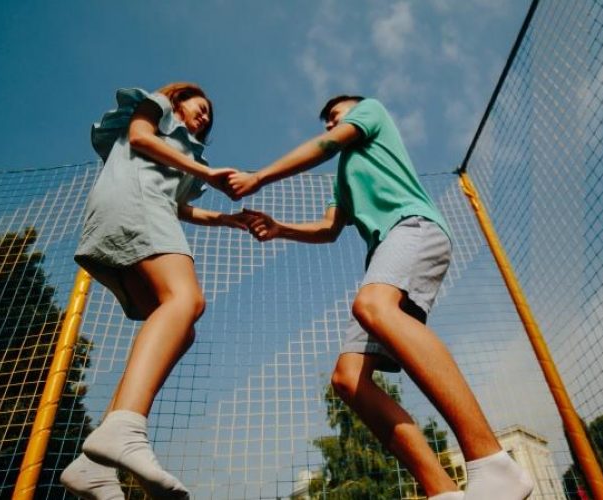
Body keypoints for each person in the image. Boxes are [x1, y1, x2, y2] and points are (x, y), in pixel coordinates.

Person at [228, 96, 534, 500]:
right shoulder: (344, 174)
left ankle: (491, 461)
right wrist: (279, 228)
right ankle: (442, 491)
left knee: (372, 305)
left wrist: (259, 177)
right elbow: (329, 228)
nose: (332, 125)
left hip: (414, 229)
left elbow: (330, 143)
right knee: (349, 379)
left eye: (337, 116)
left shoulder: (371, 111)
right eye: (328, 121)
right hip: (386, 254)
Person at [61, 83, 251, 500]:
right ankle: (126, 428)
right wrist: (208, 175)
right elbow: (139, 138)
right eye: (198, 107)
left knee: (181, 325)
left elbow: (181, 207)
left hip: (147, 209)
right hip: (133, 205)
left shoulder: (187, 155)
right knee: (186, 300)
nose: (203, 116)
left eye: (208, 116)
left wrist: (226, 220)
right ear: (178, 99)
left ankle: (93, 465)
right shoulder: (156, 108)